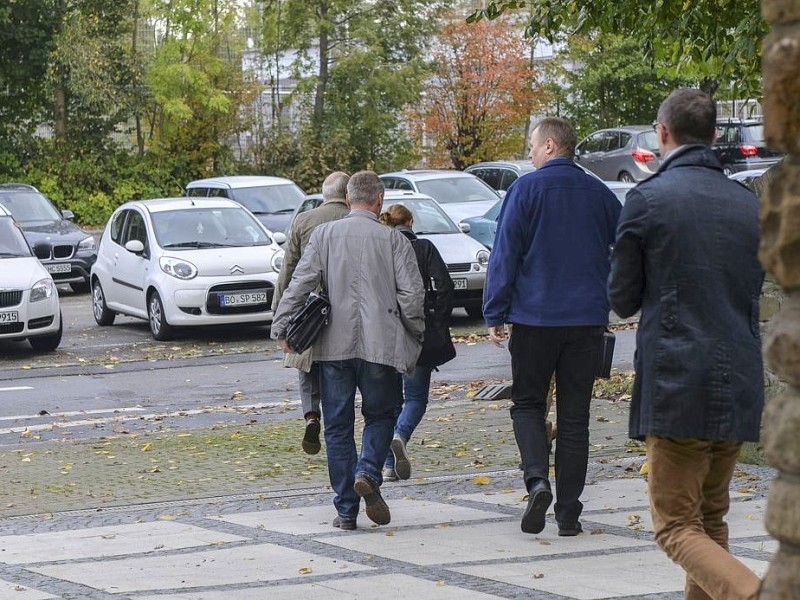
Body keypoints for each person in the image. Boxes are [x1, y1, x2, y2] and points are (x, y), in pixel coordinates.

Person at [608, 88, 764, 600]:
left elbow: (623, 298)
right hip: (738, 377)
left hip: (679, 385)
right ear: (715, 134)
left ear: (663, 133)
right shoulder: (748, 205)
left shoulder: (648, 200)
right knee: (710, 521)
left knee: (675, 527)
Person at [483, 117, 622, 536]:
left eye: (531, 145)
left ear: (548, 145)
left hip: (533, 318)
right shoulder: (600, 194)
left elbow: (505, 253)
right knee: (576, 418)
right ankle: (569, 514)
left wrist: (495, 312)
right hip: (586, 321)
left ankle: (537, 479)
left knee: (527, 403)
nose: (528, 153)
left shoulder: (524, 190)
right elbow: (626, 247)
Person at [271, 171, 425, 530]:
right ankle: (369, 471)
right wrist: (415, 335)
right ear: (379, 201)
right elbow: (412, 298)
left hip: (332, 348)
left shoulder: (323, 236)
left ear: (348, 197)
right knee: (382, 415)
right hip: (381, 346)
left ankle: (345, 510)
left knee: (337, 427)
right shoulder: (393, 241)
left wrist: (280, 326)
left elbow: (300, 283)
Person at [272, 171, 351, 455]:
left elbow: (288, 270)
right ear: (348, 194)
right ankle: (335, 424)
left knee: (305, 365)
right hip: (345, 307)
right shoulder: (354, 220)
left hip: (308, 307)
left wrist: (280, 311)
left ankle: (311, 416)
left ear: (324, 194)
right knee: (336, 369)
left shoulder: (304, 221)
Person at [378, 204, 455, 481]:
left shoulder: (383, 246)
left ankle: (388, 466)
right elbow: (443, 285)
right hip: (419, 334)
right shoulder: (424, 247)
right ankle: (400, 435)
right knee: (416, 398)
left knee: (390, 402)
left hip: (387, 336)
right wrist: (438, 321)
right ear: (411, 222)